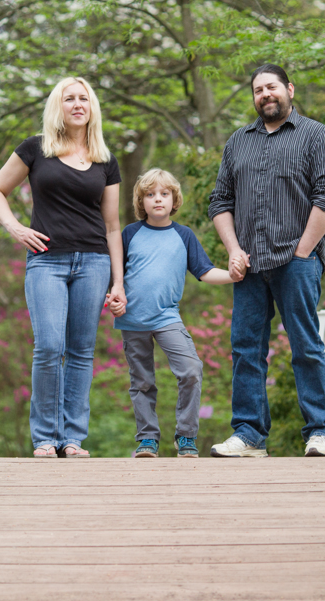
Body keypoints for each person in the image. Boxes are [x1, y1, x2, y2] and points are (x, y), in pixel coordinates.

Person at [207, 64, 325, 458]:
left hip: (296, 261)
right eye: (257, 90)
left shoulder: (316, 135)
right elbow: (221, 201)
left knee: (305, 346)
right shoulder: (238, 142)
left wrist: (302, 251)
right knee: (245, 348)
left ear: (289, 88)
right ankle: (249, 435)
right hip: (249, 264)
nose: (265, 95)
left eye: (271, 87)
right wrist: (234, 250)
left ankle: (320, 431)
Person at [0, 76, 125, 459]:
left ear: (92, 107)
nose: (78, 104)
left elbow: (113, 226)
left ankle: (72, 439)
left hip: (94, 262)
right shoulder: (35, 149)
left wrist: (119, 281)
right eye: (69, 98)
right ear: (57, 106)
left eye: (84, 98)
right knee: (49, 346)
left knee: (81, 351)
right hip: (46, 260)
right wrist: (15, 227)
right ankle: (45, 437)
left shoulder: (104, 160)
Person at [109, 168, 241, 458]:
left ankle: (186, 436)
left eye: (164, 194)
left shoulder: (184, 235)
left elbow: (205, 272)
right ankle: (147, 440)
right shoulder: (130, 234)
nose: (158, 200)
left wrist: (234, 275)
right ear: (140, 202)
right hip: (132, 321)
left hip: (167, 318)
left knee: (191, 370)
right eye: (150, 195)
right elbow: (114, 280)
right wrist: (114, 301)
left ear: (174, 199)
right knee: (142, 382)